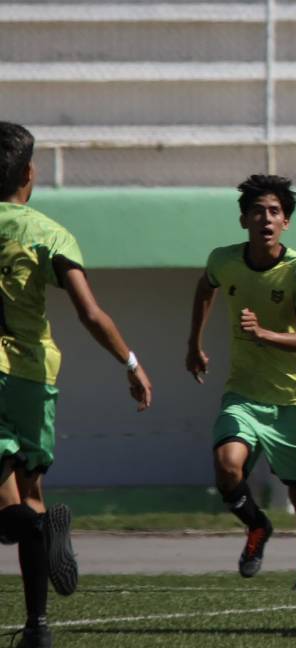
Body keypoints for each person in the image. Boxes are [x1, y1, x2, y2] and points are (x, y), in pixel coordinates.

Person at [0, 121, 153, 647]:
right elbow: (89, 312)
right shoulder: (50, 233)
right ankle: (38, 629)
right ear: (28, 174)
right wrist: (130, 363)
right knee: (31, 493)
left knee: (9, 516)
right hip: (32, 376)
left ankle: (42, 532)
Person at [186, 174, 296, 592]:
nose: (266, 218)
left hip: (293, 400)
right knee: (227, 467)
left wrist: (263, 333)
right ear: (244, 219)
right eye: (258, 211)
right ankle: (258, 527)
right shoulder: (223, 260)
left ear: (286, 222)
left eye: (275, 212)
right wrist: (193, 343)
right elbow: (205, 288)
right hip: (244, 395)